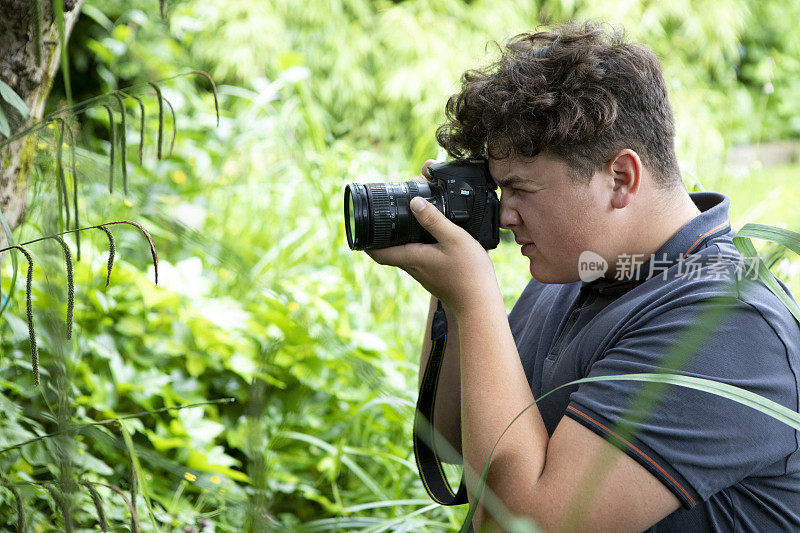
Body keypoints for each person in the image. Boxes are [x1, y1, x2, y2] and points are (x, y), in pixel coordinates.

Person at [366, 21, 800, 532]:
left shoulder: (729, 325)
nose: (505, 215)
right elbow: (454, 438)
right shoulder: (580, 270)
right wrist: (451, 295)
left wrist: (476, 297)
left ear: (621, 178)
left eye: (522, 189)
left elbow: (525, 526)